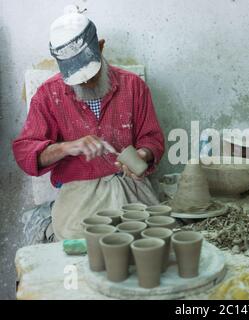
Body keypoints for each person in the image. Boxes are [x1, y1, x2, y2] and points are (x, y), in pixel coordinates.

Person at [12, 7, 164, 240]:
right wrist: (66, 147)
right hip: (79, 197)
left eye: (90, 75)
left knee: (153, 241)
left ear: (101, 47)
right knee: (82, 253)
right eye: (77, 79)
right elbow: (25, 154)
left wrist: (143, 155)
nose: (86, 84)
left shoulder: (133, 87)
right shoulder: (48, 95)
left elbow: (152, 138)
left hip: (130, 189)